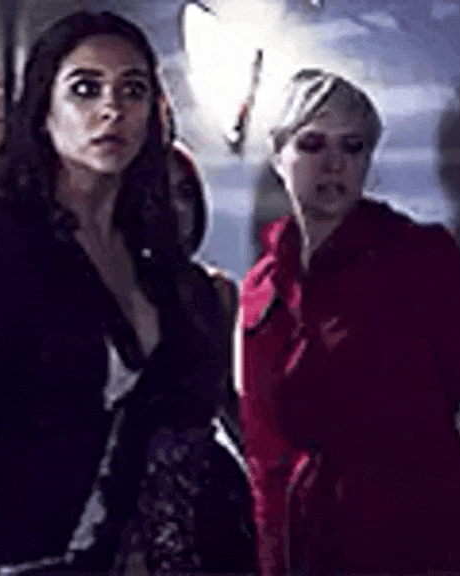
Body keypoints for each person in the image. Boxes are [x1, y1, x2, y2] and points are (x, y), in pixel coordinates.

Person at [0, 11, 241, 575]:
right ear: (44, 109)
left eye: (132, 90)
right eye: (86, 89)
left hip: (133, 551)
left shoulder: (151, 248)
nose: (112, 109)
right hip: (23, 548)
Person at [239, 68, 460, 575]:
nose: (334, 164)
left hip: (426, 539)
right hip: (316, 547)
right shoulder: (263, 287)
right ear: (280, 155)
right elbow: (264, 452)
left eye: (353, 146)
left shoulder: (418, 258)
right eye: (313, 143)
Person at [113, 141, 256, 575]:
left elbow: (226, 399)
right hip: (129, 494)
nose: (177, 207)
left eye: (186, 192)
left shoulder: (216, 292)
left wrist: (268, 470)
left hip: (208, 486)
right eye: (160, 193)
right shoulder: (110, 290)